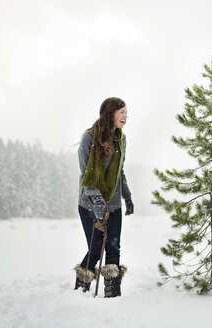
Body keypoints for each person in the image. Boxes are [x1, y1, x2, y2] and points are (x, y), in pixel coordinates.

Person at [74, 97, 134, 298]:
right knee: (96, 246)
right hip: (89, 204)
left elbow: (119, 171)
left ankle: (112, 293)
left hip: (114, 202)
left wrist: (127, 196)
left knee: (113, 247)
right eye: (122, 112)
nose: (126, 116)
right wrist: (98, 202)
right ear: (110, 113)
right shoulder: (89, 138)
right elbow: (86, 175)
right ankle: (81, 287)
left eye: (126, 112)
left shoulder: (121, 139)